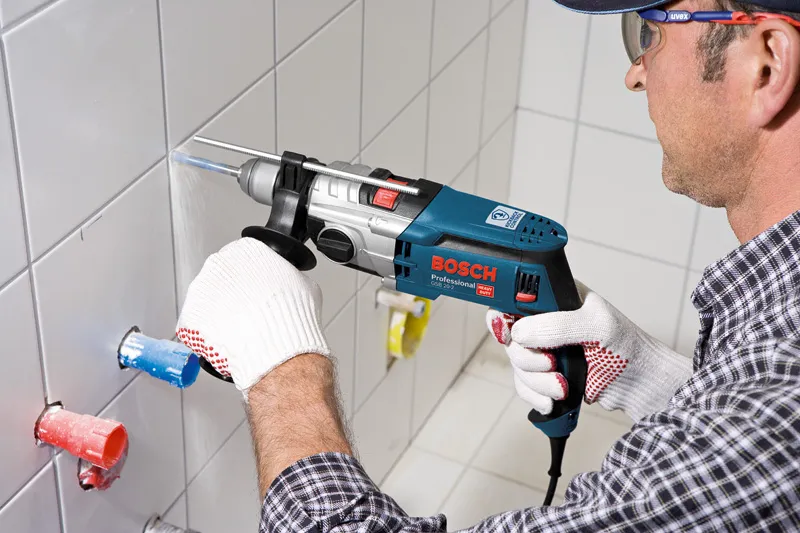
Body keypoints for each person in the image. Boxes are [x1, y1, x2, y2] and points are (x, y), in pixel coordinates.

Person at [176, 0, 800, 530]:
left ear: (767, 64)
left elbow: (751, 446)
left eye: (652, 30)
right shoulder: (772, 332)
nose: (637, 74)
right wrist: (661, 385)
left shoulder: (767, 427)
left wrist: (281, 370)